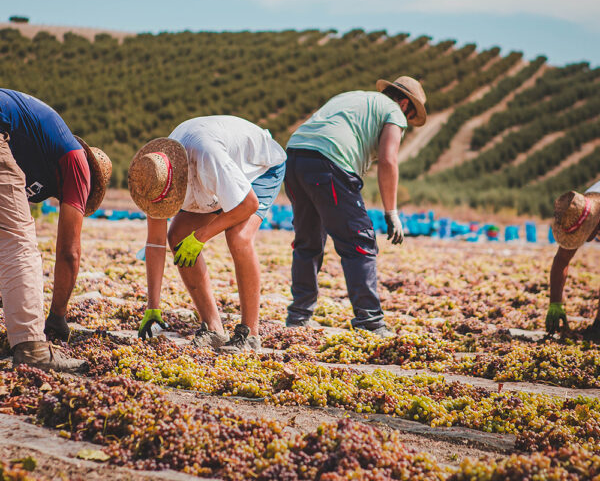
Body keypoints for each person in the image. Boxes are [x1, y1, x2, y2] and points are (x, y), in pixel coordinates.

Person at [128, 115, 286, 353]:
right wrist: (153, 306)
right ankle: (214, 329)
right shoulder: (153, 177)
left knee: (238, 237)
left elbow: (248, 204)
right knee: (177, 238)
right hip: (218, 176)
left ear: (179, 183)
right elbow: (156, 243)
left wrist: (201, 236)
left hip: (258, 168)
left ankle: (250, 334)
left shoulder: (207, 158)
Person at [284, 76, 427, 336]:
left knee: (308, 242)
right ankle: (371, 323)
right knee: (359, 242)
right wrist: (391, 212)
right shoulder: (394, 111)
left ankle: (297, 318)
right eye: (410, 114)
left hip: (295, 157)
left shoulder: (351, 97)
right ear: (405, 103)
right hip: (329, 164)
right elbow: (388, 160)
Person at [0, 89, 112, 372]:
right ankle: (31, 348)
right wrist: (58, 316)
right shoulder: (76, 162)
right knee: (18, 242)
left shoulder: (37, 150)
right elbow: (69, 252)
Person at [545, 182, 600, 336]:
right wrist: (555, 303)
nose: (585, 239)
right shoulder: (579, 210)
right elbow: (562, 259)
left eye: (584, 233)